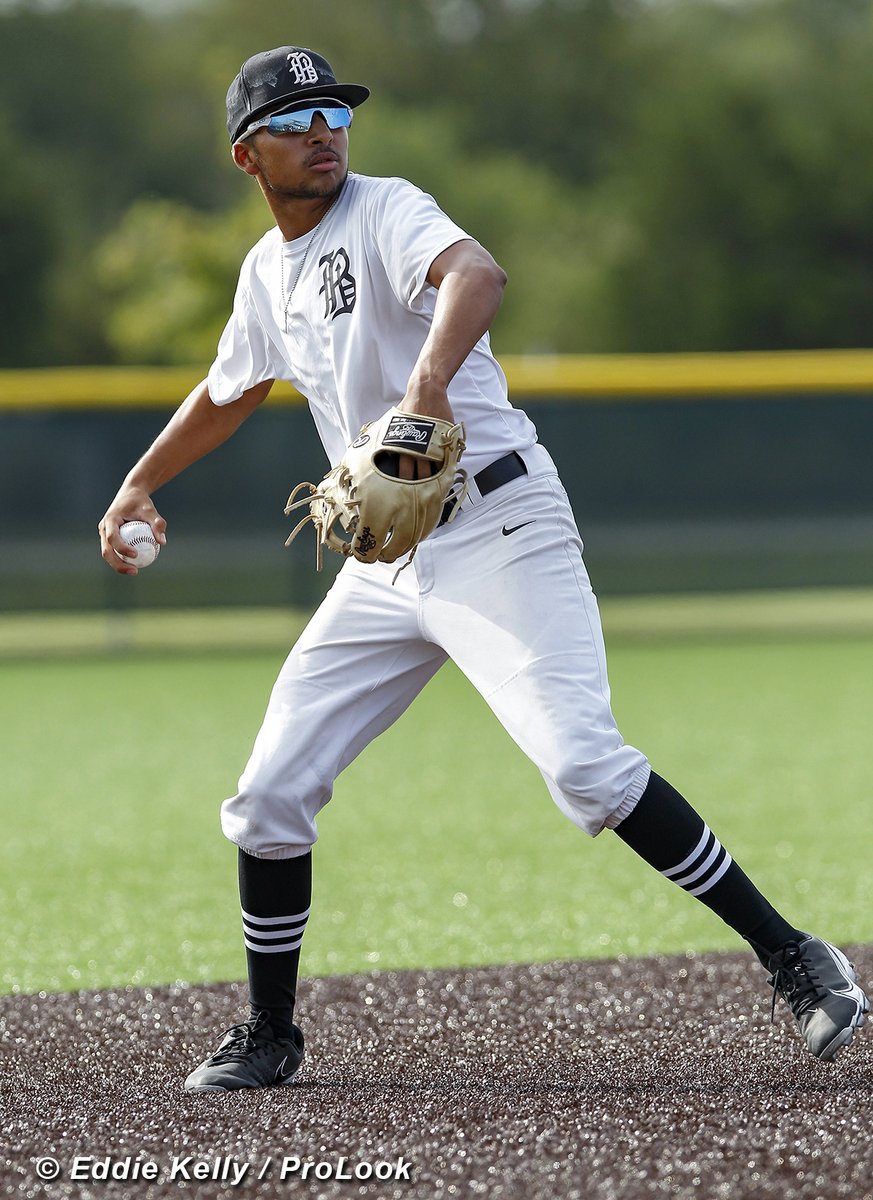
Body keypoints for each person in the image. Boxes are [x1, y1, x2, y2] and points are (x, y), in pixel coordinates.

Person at [98, 46, 868, 1093]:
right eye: (296, 117)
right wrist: (138, 485)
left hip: (496, 525)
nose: (324, 128)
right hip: (385, 563)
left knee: (584, 767)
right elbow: (231, 390)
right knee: (267, 795)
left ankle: (795, 956)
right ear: (247, 155)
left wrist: (426, 384)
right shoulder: (262, 274)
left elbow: (478, 274)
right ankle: (270, 1034)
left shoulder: (385, 209)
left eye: (334, 110)